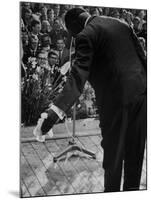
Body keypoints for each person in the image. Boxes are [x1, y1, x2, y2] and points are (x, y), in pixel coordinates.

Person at [34, 8, 147, 192]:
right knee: (135, 155)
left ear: (73, 28)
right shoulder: (121, 24)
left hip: (115, 102)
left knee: (114, 159)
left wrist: (52, 115)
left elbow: (78, 79)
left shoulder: (85, 36)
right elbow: (142, 58)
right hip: (141, 96)